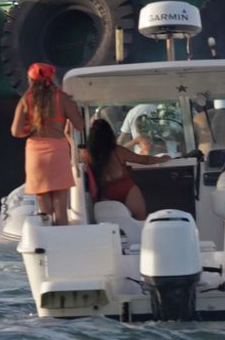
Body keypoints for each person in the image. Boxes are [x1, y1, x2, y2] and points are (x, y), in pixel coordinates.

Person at [11, 63, 84, 225]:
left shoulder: (25, 100)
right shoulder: (61, 98)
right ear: (51, 78)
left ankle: (45, 234)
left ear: (30, 80)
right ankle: (62, 237)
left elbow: (15, 131)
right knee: (60, 206)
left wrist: (30, 129)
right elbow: (79, 125)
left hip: (35, 153)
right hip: (57, 151)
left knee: (44, 205)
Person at [84, 118, 170, 220]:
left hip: (105, 194)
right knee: (140, 223)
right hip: (127, 190)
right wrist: (161, 159)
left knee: (111, 226)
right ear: (109, 134)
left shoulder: (88, 155)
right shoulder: (117, 151)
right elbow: (144, 160)